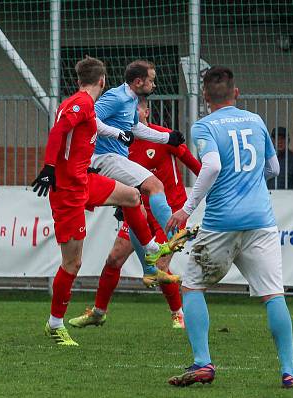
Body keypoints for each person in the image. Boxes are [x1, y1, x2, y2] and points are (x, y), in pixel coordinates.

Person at [165, 66, 293, 389]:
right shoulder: (255, 121)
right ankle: (289, 372)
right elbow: (274, 167)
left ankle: (202, 362)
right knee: (273, 295)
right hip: (260, 219)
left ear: (205, 97)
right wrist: (252, 183)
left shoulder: (204, 126)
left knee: (192, 286)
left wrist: (186, 209)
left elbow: (212, 165)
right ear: (236, 93)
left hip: (222, 220)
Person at [30, 56, 174, 347]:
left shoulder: (84, 105)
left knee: (133, 196)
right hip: (68, 191)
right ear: (103, 81)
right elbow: (59, 131)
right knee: (73, 263)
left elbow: (92, 125)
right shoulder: (81, 103)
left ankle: (150, 250)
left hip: (85, 179)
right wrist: (49, 169)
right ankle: (55, 324)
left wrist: (117, 132)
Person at [68, 96, 201, 330]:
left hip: (169, 213)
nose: (128, 114)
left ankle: (178, 314)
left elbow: (195, 166)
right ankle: (98, 312)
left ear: (146, 112)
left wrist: (211, 191)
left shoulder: (164, 136)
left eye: (135, 109)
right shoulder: (120, 146)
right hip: (138, 211)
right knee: (114, 259)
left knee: (159, 266)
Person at [92, 59, 189, 285]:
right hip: (102, 159)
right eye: (151, 80)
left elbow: (136, 129)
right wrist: (117, 134)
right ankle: (174, 236)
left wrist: (168, 138)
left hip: (115, 159)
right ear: (138, 82)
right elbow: (89, 118)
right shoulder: (116, 97)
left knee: (135, 206)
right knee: (154, 185)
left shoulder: (132, 100)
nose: (154, 85)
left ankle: (149, 268)